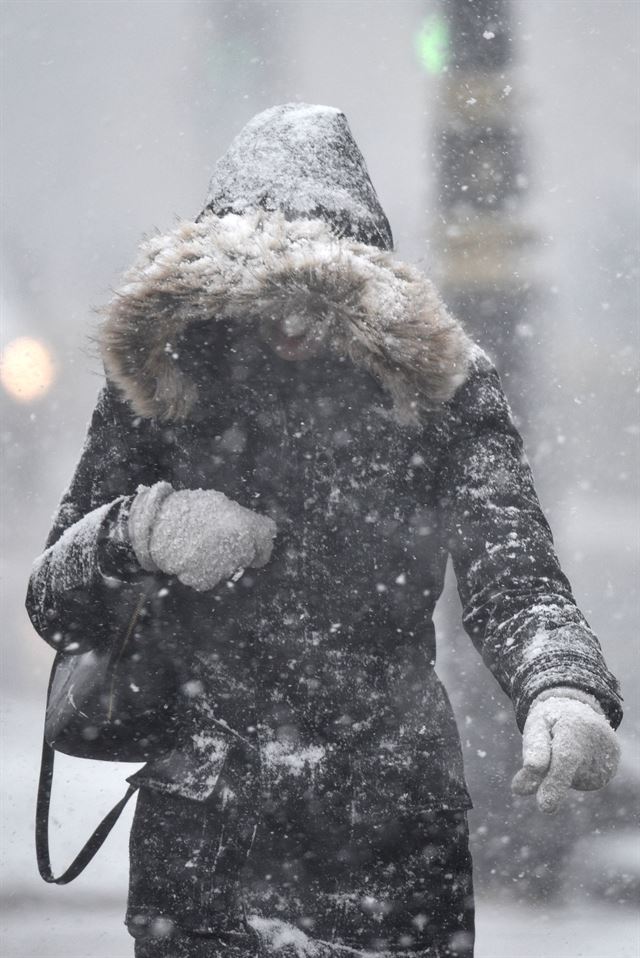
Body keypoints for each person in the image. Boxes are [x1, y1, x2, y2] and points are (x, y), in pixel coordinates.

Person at [26, 104, 622, 958]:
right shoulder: (163, 385)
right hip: (205, 860)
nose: (293, 326)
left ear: (366, 286)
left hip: (392, 847)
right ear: (223, 287)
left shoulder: (441, 387)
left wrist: (562, 687)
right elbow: (56, 601)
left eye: (322, 299)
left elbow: (515, 572)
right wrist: (144, 529)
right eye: (269, 297)